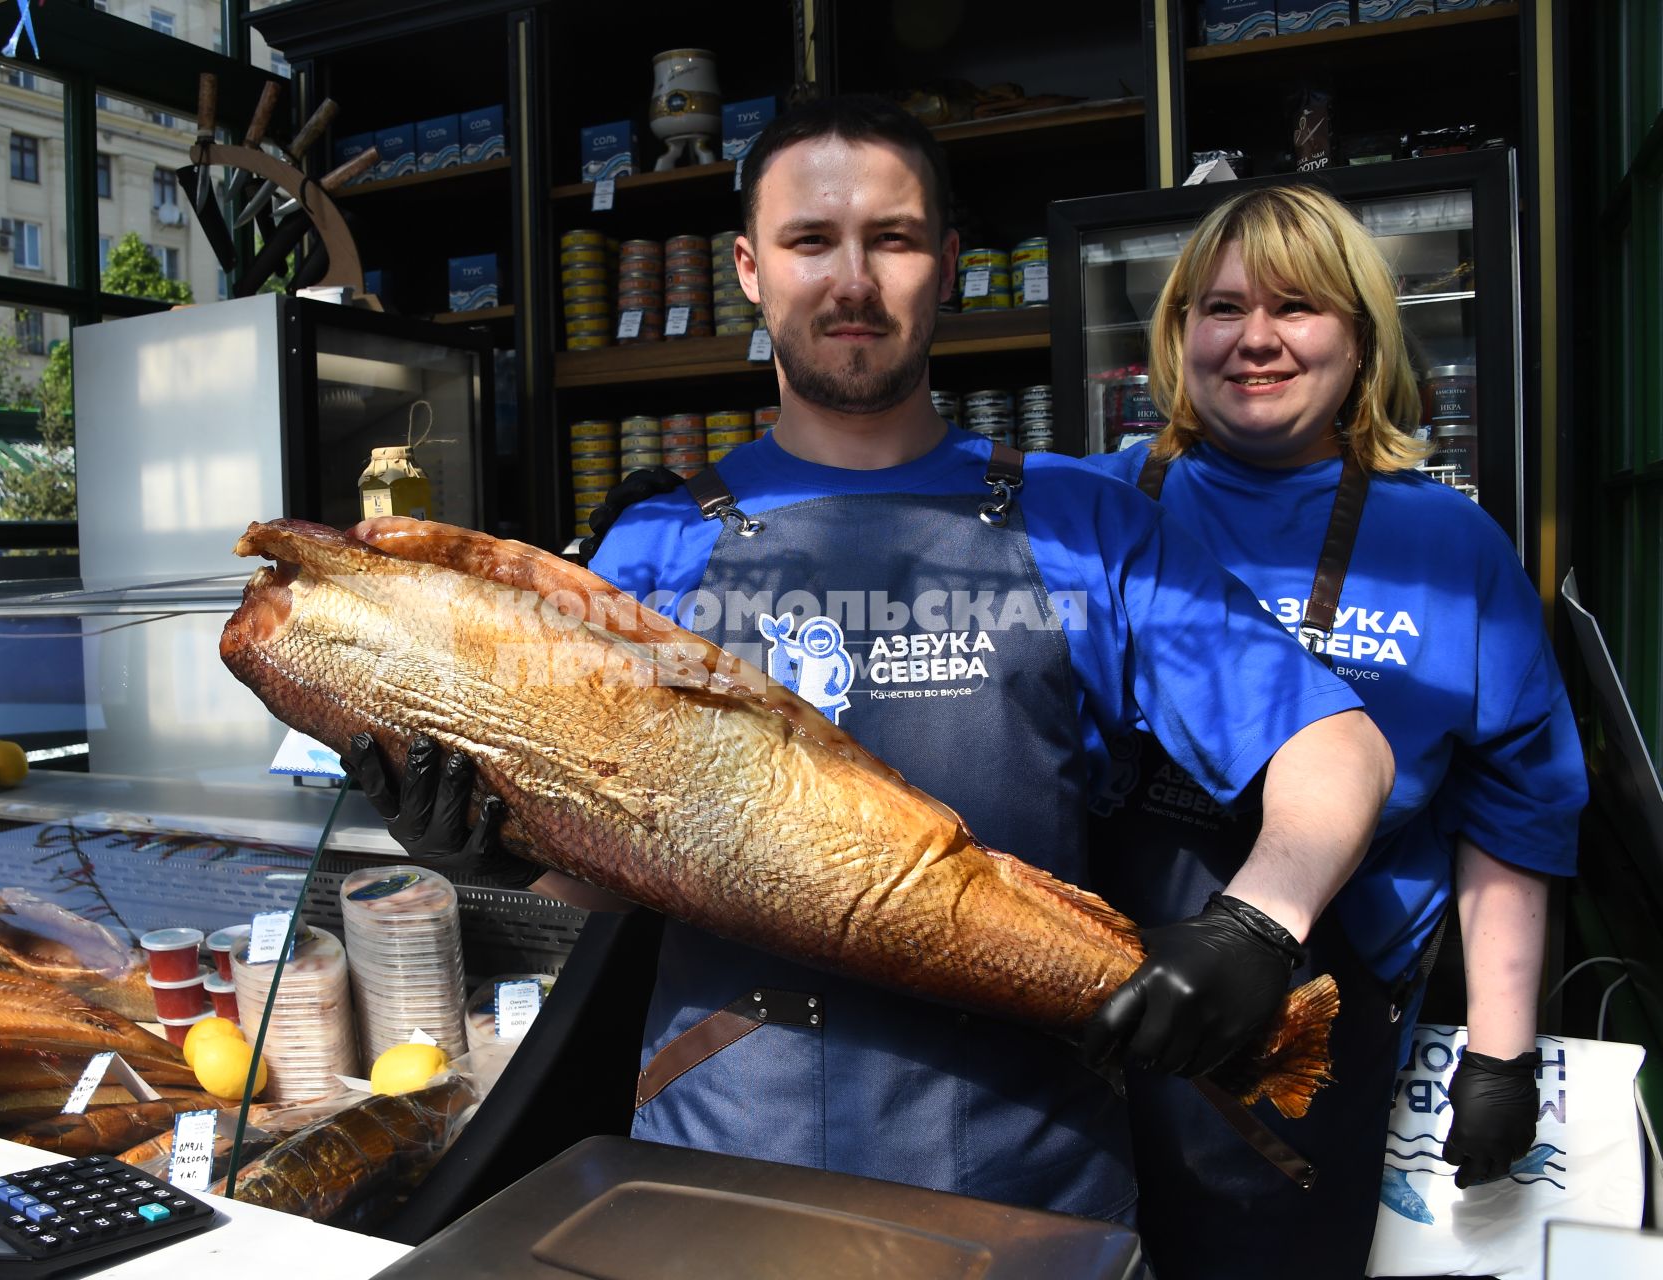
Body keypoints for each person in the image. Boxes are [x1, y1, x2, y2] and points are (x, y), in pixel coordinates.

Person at [347, 95, 1394, 1227]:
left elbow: (1337, 745)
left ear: (944, 264)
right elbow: (618, 865)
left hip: (1025, 1176)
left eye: (890, 239)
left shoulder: (1080, 523)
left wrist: (1256, 923)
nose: (852, 280)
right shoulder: (654, 546)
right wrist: (494, 852)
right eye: (811, 242)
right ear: (750, 268)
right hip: (728, 1163)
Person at [1083, 184, 1587, 1278]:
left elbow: (1517, 802)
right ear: (1177, 337)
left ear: (1360, 339)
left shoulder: (1449, 545)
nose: (1256, 338)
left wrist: (1500, 1049)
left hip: (1317, 1028)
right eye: (1220, 309)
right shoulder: (1094, 505)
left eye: (1298, 307)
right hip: (1083, 1001)